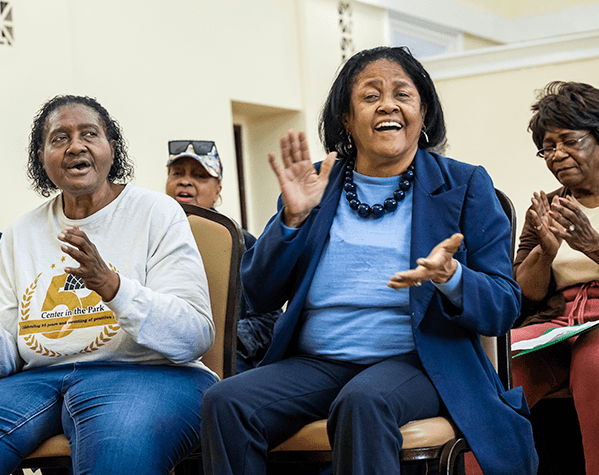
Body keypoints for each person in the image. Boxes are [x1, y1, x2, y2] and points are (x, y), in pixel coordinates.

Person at [199, 46, 537, 475]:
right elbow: (258, 292)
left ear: (423, 111)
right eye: (371, 95)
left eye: (402, 94)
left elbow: (503, 305)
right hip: (317, 361)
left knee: (364, 401)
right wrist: (291, 219)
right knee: (226, 402)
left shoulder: (465, 184)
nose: (388, 105)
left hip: (417, 362)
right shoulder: (317, 183)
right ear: (346, 117)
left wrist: (452, 277)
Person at [0, 95, 217, 475]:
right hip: (40, 379)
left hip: (150, 374)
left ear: (111, 149)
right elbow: (6, 363)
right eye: (59, 138)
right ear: (41, 157)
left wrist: (113, 286)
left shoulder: (156, 212)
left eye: (89, 134)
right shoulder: (22, 231)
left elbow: (195, 332)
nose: (75, 146)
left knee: (119, 443)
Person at [511, 81, 599, 475]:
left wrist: (591, 245)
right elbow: (525, 293)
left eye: (569, 140)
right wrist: (545, 251)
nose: (557, 154)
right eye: (548, 146)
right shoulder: (546, 207)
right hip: (555, 324)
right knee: (495, 361)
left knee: (594, 364)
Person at [165, 140, 281, 372]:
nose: (185, 181)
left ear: (218, 189)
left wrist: (221, 341)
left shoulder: (240, 242)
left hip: (227, 369)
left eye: (199, 175)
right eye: (177, 173)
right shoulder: (151, 236)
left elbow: (270, 320)